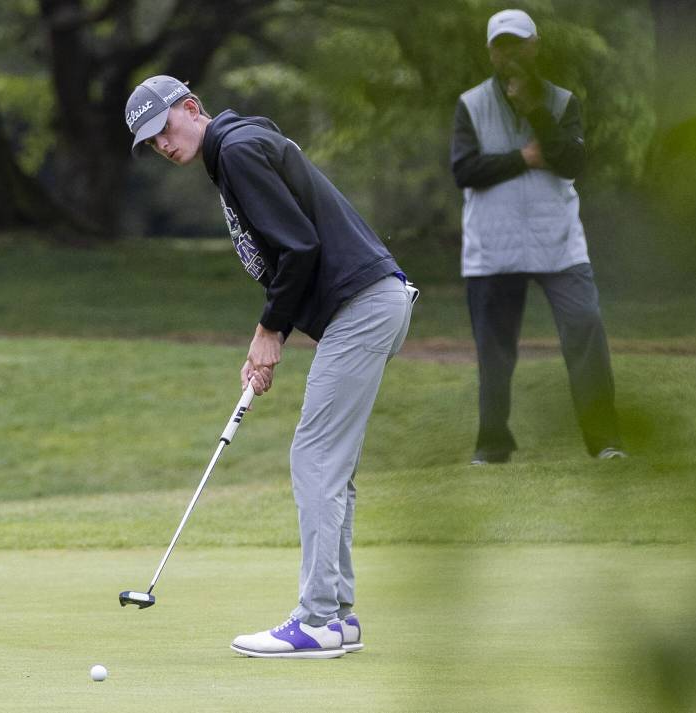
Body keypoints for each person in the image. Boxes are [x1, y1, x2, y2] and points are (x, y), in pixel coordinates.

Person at [125, 75, 417, 658]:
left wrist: (270, 329)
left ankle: (315, 621)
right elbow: (296, 249)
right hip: (368, 306)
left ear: (191, 108)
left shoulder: (233, 150)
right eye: (149, 141)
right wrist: (272, 335)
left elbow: (299, 248)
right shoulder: (237, 149)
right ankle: (337, 617)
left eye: (163, 128)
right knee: (332, 465)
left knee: (315, 457)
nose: (161, 144)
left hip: (363, 306)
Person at [451, 9, 626, 464]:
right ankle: (492, 447)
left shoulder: (564, 102)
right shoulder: (470, 104)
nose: (508, 52)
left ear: (535, 45)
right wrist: (523, 158)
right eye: (500, 44)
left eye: (516, 42)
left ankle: (605, 443)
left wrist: (534, 112)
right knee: (495, 352)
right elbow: (464, 170)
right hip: (493, 248)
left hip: (559, 243)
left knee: (586, 330)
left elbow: (572, 162)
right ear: (490, 51)